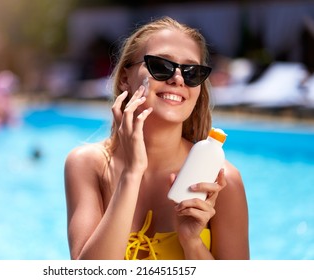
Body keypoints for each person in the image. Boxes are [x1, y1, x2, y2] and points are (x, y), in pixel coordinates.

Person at [64, 16, 249, 260]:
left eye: (192, 72)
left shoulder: (222, 181)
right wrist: (132, 173)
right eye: (161, 66)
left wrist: (192, 243)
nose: (178, 79)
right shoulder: (88, 165)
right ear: (124, 79)